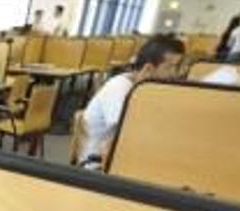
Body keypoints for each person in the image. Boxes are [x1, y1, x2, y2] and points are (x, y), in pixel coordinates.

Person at [79, 35, 185, 170]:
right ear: (148, 69)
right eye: (170, 67)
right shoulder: (119, 88)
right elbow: (129, 133)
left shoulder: (145, 89)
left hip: (124, 158)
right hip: (98, 165)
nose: (175, 74)